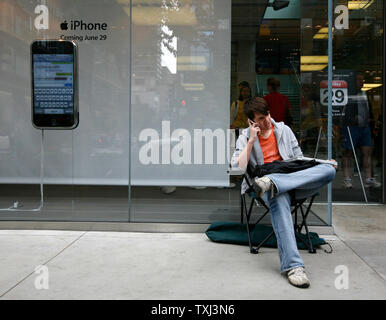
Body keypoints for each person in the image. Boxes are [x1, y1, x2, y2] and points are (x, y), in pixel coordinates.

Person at [231, 97, 336, 288]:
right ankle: (294, 267)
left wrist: (320, 163)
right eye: (261, 119)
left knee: (329, 169)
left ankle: (274, 183)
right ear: (251, 121)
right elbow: (237, 168)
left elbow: (298, 159)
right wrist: (252, 139)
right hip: (265, 186)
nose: (266, 121)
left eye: (267, 115)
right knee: (278, 197)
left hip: (292, 180)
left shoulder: (284, 130)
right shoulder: (245, 137)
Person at [341, 74, 381, 189]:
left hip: (364, 126)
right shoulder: (347, 94)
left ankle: (368, 179)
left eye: (362, 80)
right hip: (351, 126)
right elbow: (343, 111)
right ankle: (347, 179)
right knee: (348, 152)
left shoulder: (364, 93)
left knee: (367, 152)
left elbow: (368, 108)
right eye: (359, 80)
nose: (361, 82)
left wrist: (371, 121)